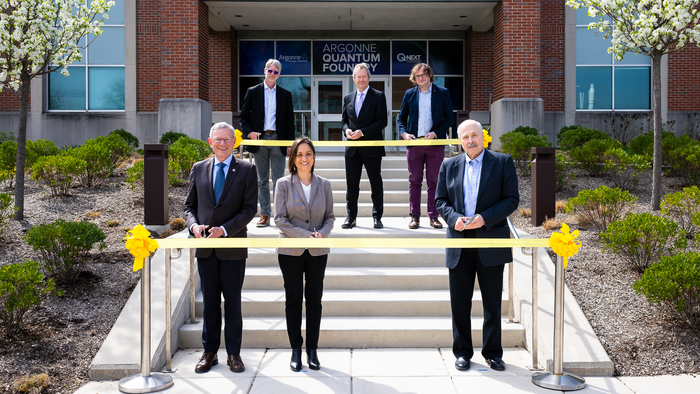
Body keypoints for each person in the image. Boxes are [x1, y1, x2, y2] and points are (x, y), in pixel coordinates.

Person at [435, 119, 519, 372]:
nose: (470, 141)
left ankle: (493, 353)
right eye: (465, 137)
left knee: (492, 303)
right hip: (459, 241)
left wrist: (485, 218)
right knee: (459, 302)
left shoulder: (502, 162)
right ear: (459, 141)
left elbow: (512, 199)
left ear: (483, 136)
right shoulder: (449, 165)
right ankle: (462, 352)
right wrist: (453, 219)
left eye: (474, 135)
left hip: (491, 238)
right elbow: (440, 200)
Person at [184, 122, 258, 374]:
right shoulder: (198, 168)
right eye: (218, 140)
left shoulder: (247, 169)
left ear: (234, 142)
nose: (223, 144)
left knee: (233, 303)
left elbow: (249, 209)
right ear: (210, 142)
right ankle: (210, 352)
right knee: (210, 303)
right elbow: (188, 208)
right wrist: (194, 227)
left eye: (228, 139)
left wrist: (224, 230)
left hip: (233, 247)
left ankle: (234, 354)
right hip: (205, 249)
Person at [274, 137, 335, 372]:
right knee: (293, 301)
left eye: (308, 153)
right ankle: (295, 349)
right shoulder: (283, 184)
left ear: (314, 156)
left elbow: (330, 216)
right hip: (290, 250)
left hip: (318, 250)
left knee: (314, 301)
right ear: (293, 158)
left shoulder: (325, 184)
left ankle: (312, 350)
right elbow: (280, 219)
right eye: (299, 154)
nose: (304, 158)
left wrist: (323, 233)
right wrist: (304, 235)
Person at [397, 63, 454, 230]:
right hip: (414, 144)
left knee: (433, 181)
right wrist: (404, 134)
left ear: (430, 76)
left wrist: (435, 133)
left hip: (434, 143)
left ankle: (434, 217)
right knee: (414, 180)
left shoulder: (442, 93)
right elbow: (401, 119)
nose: (420, 78)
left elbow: (449, 118)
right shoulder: (409, 94)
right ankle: (414, 216)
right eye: (417, 76)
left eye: (423, 75)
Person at [240, 58, 295, 227]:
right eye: (269, 71)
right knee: (261, 180)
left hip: (279, 139)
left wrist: (289, 144)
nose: (272, 74)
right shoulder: (253, 91)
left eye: (275, 72)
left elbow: (289, 121)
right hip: (260, 141)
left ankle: (280, 214)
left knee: (279, 179)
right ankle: (265, 214)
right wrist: (250, 132)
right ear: (264, 71)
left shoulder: (285, 95)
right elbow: (244, 117)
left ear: (279, 75)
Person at [341, 62, 388, 229]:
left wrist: (363, 132)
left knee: (376, 184)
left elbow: (383, 121)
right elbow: (344, 121)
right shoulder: (347, 98)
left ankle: (377, 217)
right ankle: (350, 217)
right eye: (358, 76)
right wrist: (347, 131)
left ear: (369, 78)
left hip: (372, 148)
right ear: (354, 79)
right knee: (351, 185)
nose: (361, 79)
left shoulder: (378, 96)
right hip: (352, 149)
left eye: (364, 76)